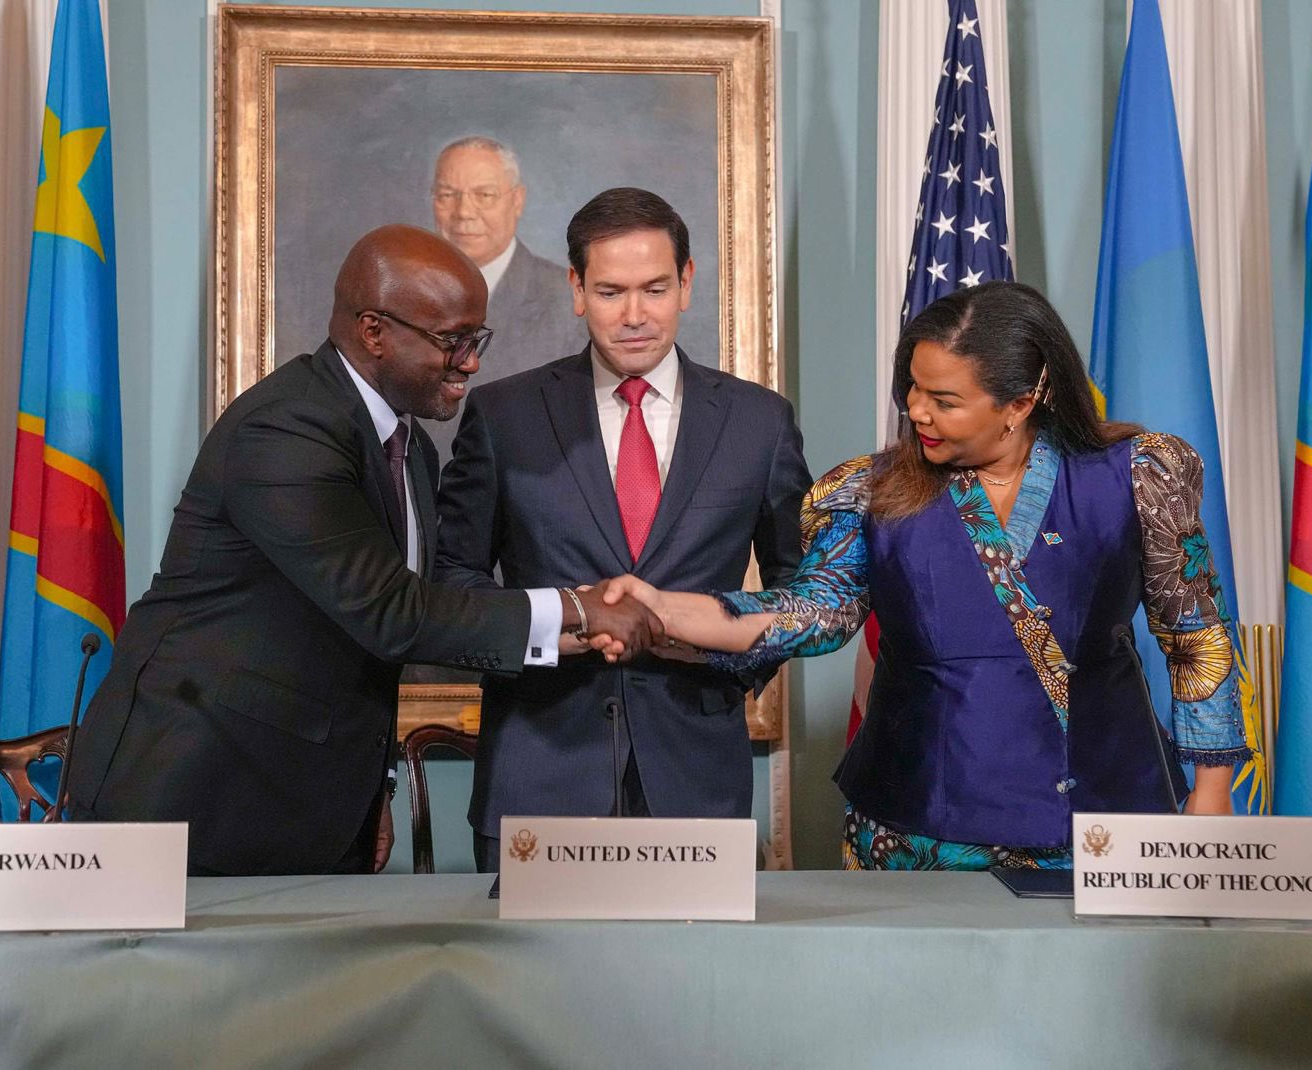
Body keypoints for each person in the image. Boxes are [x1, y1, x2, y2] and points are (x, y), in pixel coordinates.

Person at [64, 225, 662, 877]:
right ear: (374, 332)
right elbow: (391, 613)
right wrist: (580, 610)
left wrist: (371, 784)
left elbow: (390, 632)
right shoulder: (286, 429)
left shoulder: (411, 449)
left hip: (314, 799)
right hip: (195, 791)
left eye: (477, 340)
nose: (470, 363)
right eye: (453, 341)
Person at [600, 282, 1250, 871]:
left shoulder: (1139, 474)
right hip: (916, 830)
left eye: (945, 401)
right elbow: (813, 612)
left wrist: (1212, 791)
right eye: (912, 388)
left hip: (1104, 823)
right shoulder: (870, 491)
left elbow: (1196, 636)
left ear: (1020, 403)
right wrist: (665, 610)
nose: (917, 411)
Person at [434, 187, 812, 872]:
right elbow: (451, 582)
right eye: (610, 292)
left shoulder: (760, 422)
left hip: (698, 780)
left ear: (687, 282)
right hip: (537, 775)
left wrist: (713, 654)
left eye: (655, 289)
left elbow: (802, 594)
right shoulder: (503, 416)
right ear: (577, 289)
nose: (635, 315)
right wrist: (566, 625)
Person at [429, 136, 582, 445]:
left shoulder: (569, 300)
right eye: (448, 194)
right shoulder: (409, 293)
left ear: (518, 200)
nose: (464, 212)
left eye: (484, 195)